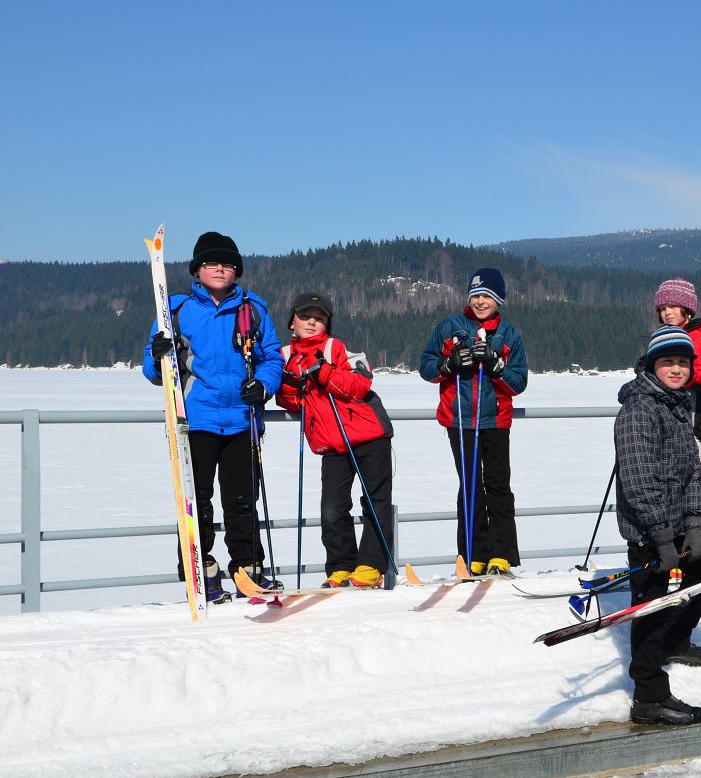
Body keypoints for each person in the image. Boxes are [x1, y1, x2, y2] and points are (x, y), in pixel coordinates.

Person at [142, 231, 284, 602]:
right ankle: (200, 570)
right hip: (195, 420)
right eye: (211, 263)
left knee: (242, 500)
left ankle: (249, 568)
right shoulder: (175, 311)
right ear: (197, 270)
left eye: (227, 264)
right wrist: (158, 354)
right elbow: (153, 371)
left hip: (242, 420)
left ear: (236, 271)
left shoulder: (253, 310)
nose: (219, 269)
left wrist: (264, 386)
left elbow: (272, 358)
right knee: (196, 501)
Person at [615, 325, 701, 726]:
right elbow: (639, 481)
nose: (677, 369)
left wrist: (695, 523)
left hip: (677, 524)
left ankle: (674, 641)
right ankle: (649, 696)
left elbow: (692, 471)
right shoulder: (639, 410)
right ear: (651, 366)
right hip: (649, 532)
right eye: (668, 362)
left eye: (683, 362)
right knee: (652, 606)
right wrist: (662, 538)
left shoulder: (677, 405)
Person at [275, 293, 395, 588]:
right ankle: (341, 566)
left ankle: (370, 566)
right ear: (292, 322)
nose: (311, 322)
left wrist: (325, 372)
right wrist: (291, 385)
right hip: (331, 444)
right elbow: (290, 401)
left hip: (369, 435)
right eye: (305, 317)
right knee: (332, 508)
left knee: (375, 502)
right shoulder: (285, 355)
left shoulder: (336, 347)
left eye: (319, 318)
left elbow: (360, 383)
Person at [419, 268, 528, 576]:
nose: (481, 302)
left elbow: (518, 382)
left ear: (499, 300)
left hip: (495, 420)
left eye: (487, 297)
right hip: (459, 419)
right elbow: (426, 367)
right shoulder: (449, 327)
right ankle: (472, 554)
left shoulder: (509, 334)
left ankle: (501, 554)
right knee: (469, 486)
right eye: (476, 295)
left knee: (497, 485)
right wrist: (449, 363)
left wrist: (497, 366)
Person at [654, 278, 701, 444]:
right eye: (663, 308)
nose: (667, 312)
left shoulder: (697, 336)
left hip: (689, 422)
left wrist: (684, 373)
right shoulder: (667, 335)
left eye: (673, 306)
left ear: (687, 309)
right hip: (667, 420)